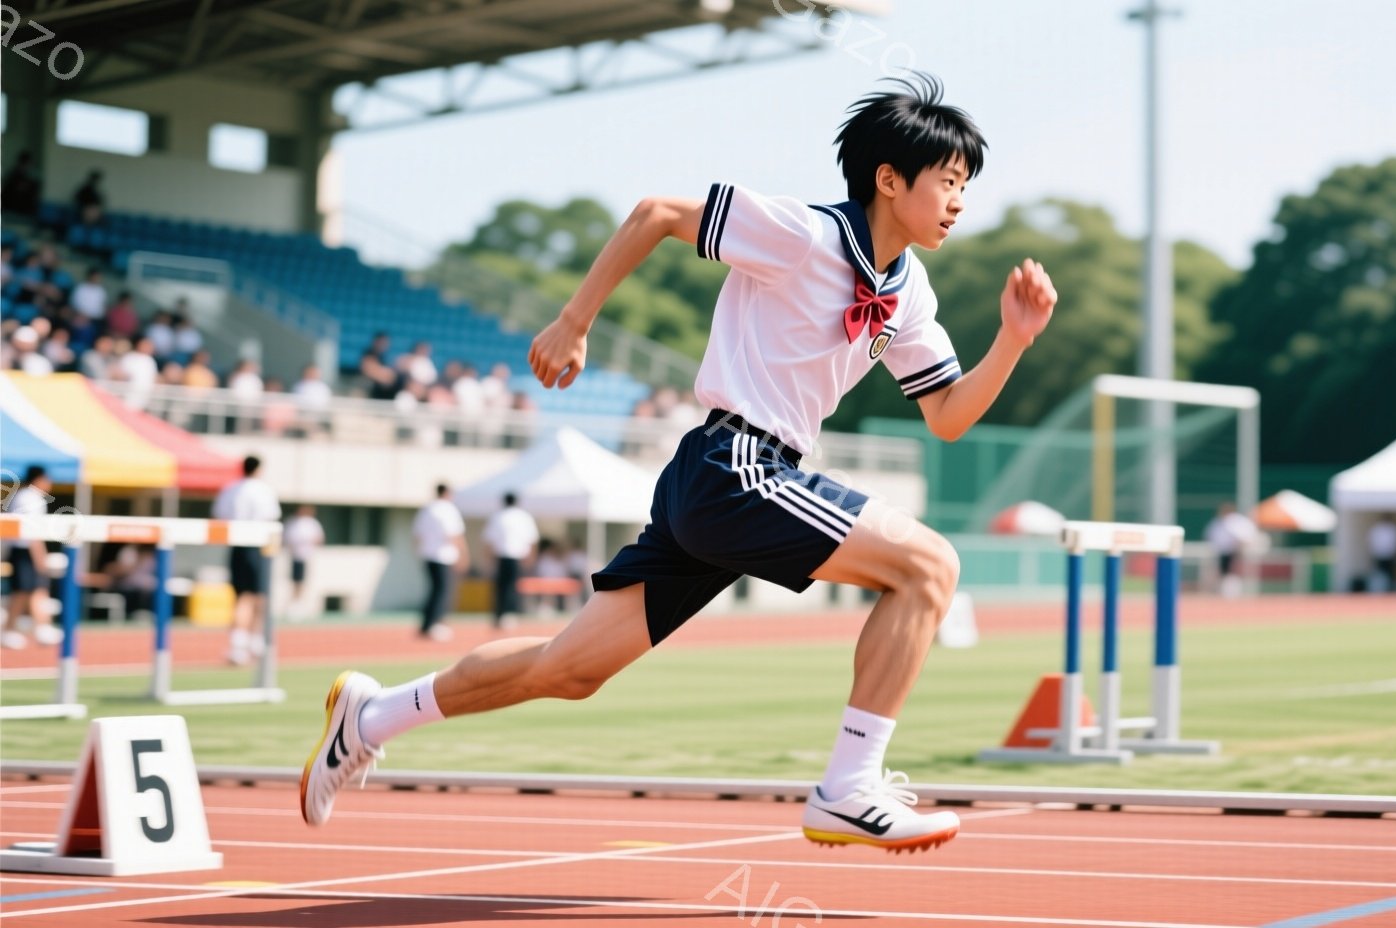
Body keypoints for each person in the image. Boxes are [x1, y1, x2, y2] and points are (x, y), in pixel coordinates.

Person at [300, 74, 1055, 854]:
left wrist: (1014, 340)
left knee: (569, 669)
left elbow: (950, 416)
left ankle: (373, 714)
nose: (961, 201)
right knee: (930, 566)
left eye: (967, 186)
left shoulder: (910, 292)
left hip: (739, 483)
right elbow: (656, 215)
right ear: (889, 181)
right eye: (950, 183)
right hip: (736, 465)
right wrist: (573, 320)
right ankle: (849, 787)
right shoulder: (805, 233)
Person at [212, 456, 283, 665]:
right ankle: (251, 644)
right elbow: (271, 516)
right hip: (258, 544)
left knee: (242, 597)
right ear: (259, 469)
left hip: (237, 544)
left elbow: (219, 515)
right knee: (257, 597)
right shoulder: (263, 489)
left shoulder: (230, 489)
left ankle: (242, 646)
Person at [3, 466, 65, 650]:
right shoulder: (30, 498)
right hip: (24, 550)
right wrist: (40, 558)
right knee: (22, 592)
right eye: (48, 480)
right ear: (39, 479)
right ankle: (9, 630)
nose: (50, 484)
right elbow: (32, 533)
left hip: (22, 550)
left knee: (37, 589)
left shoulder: (26, 496)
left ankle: (42, 627)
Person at [411, 484, 466, 641]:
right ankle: (436, 623)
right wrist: (462, 555)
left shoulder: (427, 509)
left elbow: (417, 534)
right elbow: (454, 534)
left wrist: (420, 551)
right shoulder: (448, 509)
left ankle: (426, 624)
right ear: (448, 493)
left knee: (433, 590)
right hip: (444, 556)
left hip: (428, 555)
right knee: (443, 591)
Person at [481, 492, 538, 631]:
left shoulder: (497, 516)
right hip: (517, 557)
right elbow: (532, 540)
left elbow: (489, 541)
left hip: (501, 557)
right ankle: (509, 615)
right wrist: (531, 558)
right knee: (512, 587)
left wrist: (488, 560)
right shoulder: (524, 517)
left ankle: (498, 615)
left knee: (500, 588)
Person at [1204, 501, 1258, 597]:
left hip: (1236, 551)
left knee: (1233, 572)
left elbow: (1243, 536)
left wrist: (1240, 545)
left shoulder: (1236, 521)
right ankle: (1225, 592)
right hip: (1223, 551)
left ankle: (1232, 593)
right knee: (1223, 572)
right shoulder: (1218, 522)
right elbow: (1211, 535)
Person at [284, 505, 325, 619]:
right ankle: (293, 605)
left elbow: (319, 538)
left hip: (307, 556)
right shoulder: (293, 522)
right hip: (295, 556)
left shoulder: (312, 523)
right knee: (295, 582)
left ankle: (301, 605)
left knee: (303, 582)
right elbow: (287, 539)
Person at [1367, 514, 1396, 592]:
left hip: (1389, 555)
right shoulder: (1378, 528)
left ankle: (1389, 590)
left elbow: (1395, 542)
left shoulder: (1392, 528)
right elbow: (1373, 541)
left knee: (1390, 575)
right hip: (1379, 555)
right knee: (1380, 574)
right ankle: (1380, 590)